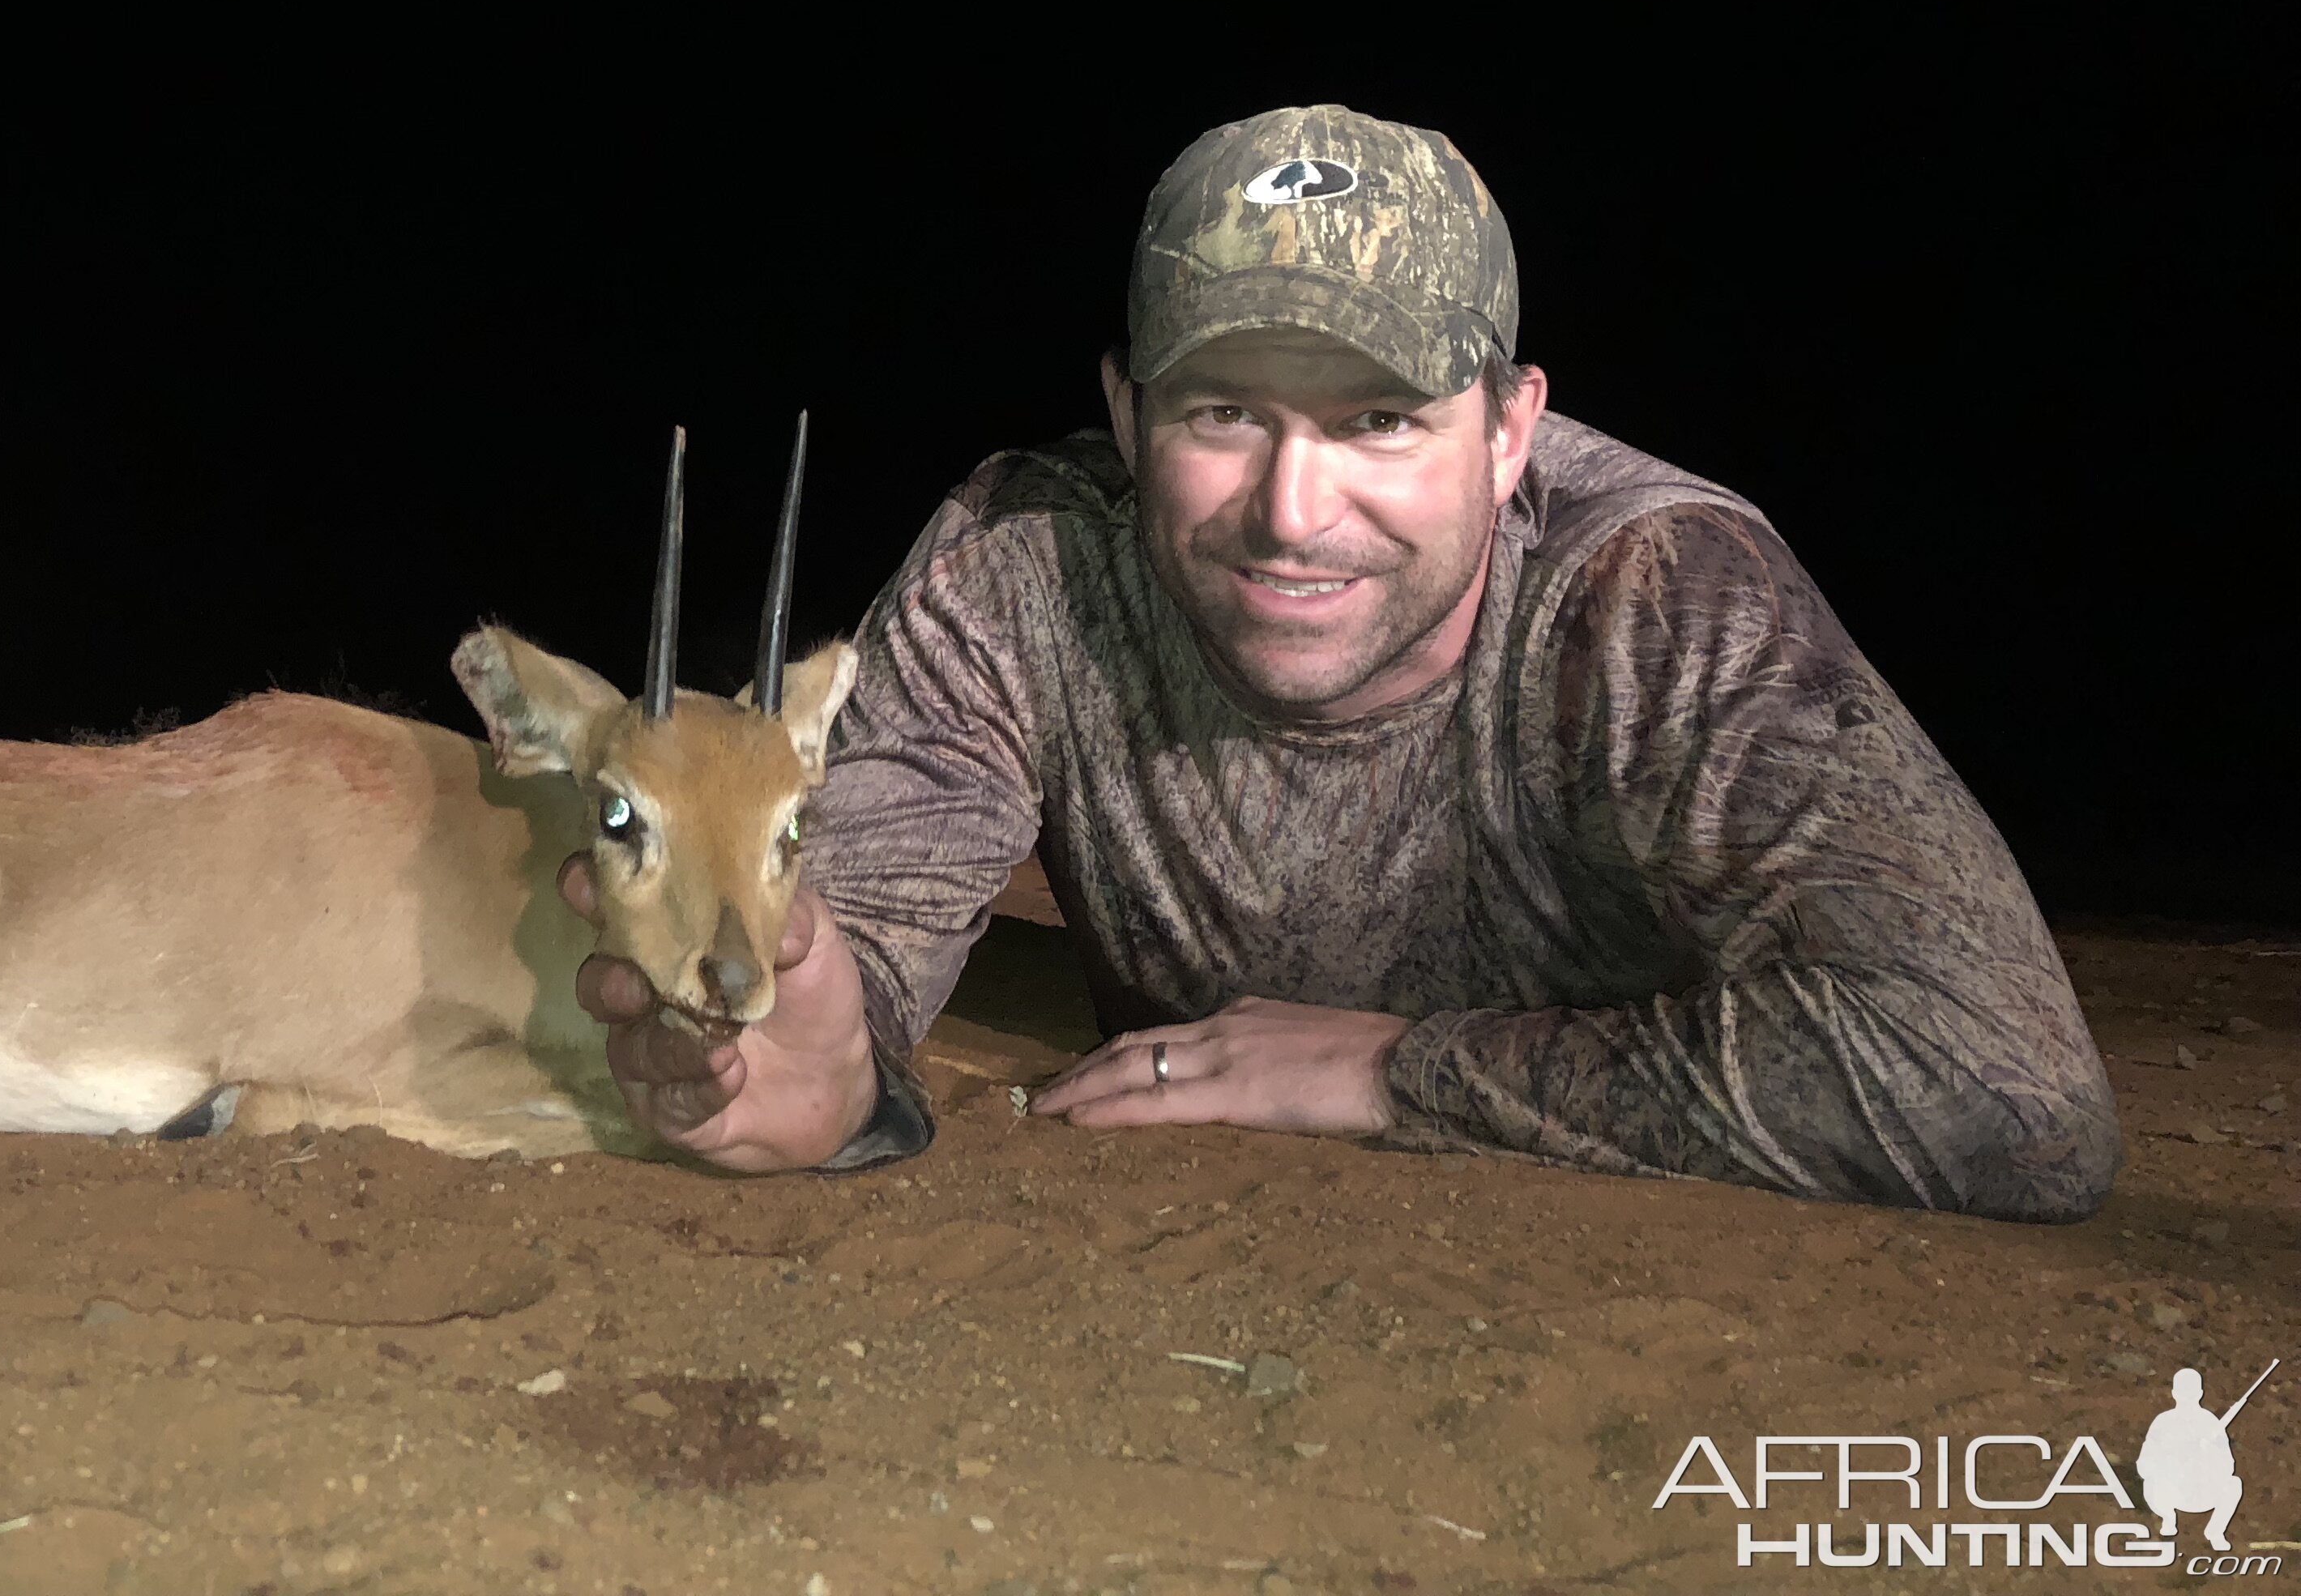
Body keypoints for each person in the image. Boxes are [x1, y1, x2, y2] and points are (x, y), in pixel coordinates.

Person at [563, 104, 2121, 1217]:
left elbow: (2004, 1085)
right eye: (1222, 410)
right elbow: (859, 940)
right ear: (1124, 412)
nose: (1289, 513)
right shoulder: (1022, 564)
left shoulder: (1656, 587)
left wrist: (1395, 1072)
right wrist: (823, 1065)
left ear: (1511, 427)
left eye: (1380, 417)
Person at [2137, 1368, 2250, 1552]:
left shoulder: (2210, 1422)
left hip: (2203, 1491)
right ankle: (2168, 1517)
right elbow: (2144, 1464)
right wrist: (2172, 1459)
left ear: (2200, 1394)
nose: (2187, 1399)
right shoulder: (2163, 1422)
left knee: (2233, 1484)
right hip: (2172, 1494)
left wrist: (2207, 1454)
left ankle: (2215, 1532)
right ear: (2174, 1394)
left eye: (2190, 1394)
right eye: (2183, 1394)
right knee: (2151, 1483)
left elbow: (2228, 1466)